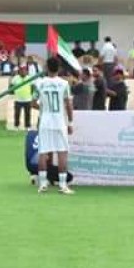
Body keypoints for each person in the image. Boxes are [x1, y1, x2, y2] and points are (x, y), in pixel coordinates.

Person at [34, 57, 75, 195]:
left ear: (46, 67)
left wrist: (42, 107)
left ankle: (43, 183)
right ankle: (63, 185)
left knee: (43, 152)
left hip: (45, 121)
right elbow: (68, 104)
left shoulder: (39, 83)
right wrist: (70, 122)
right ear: (58, 68)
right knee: (62, 152)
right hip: (59, 122)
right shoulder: (64, 84)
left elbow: (33, 102)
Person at [10, 64, 34, 130]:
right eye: (21, 70)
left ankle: (27, 126)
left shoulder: (29, 78)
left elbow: (32, 87)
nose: (23, 71)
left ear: (26, 71)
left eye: (24, 70)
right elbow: (11, 86)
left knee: (28, 114)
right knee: (17, 114)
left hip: (27, 99)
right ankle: (16, 126)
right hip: (18, 99)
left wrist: (31, 95)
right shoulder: (15, 78)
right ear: (19, 71)